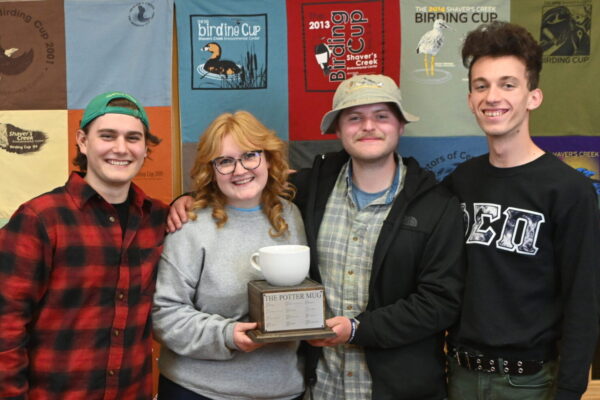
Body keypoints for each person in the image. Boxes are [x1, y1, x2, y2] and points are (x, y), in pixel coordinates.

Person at [168, 75, 466, 399]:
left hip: (398, 388)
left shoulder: (437, 206)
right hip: (319, 386)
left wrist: (358, 329)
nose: (368, 126)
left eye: (381, 115)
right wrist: (187, 200)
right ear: (338, 130)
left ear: (400, 125)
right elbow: (243, 185)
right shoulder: (311, 190)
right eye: (354, 118)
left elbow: (440, 302)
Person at [444, 21, 600, 400]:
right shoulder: (459, 182)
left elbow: (584, 299)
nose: (492, 96)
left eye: (508, 84)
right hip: (460, 377)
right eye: (481, 85)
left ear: (533, 96)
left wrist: (569, 389)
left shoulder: (569, 190)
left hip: (530, 383)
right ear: (469, 99)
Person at [0, 91, 168, 399]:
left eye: (133, 138)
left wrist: (187, 201)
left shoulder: (159, 218)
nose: (121, 148)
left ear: (146, 149)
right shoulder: (40, 219)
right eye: (107, 135)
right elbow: (5, 327)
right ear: (82, 141)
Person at [152, 111, 306, 400]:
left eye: (250, 155)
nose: (239, 169)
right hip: (200, 391)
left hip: (284, 390)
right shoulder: (190, 224)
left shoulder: (291, 215)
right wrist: (225, 335)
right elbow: (164, 315)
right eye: (225, 161)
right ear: (210, 170)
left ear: (269, 158)